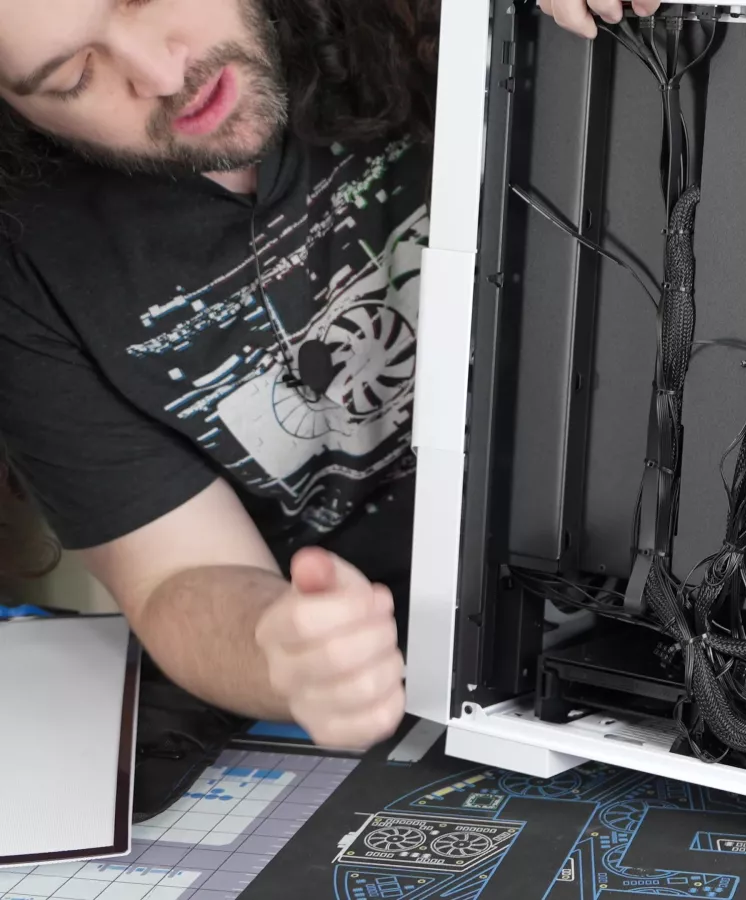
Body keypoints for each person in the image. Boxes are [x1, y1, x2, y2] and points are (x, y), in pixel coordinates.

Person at [0, 0, 653, 751]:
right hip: (449, 705)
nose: (161, 72)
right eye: (75, 77)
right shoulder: (24, 268)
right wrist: (280, 653)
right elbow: (176, 578)